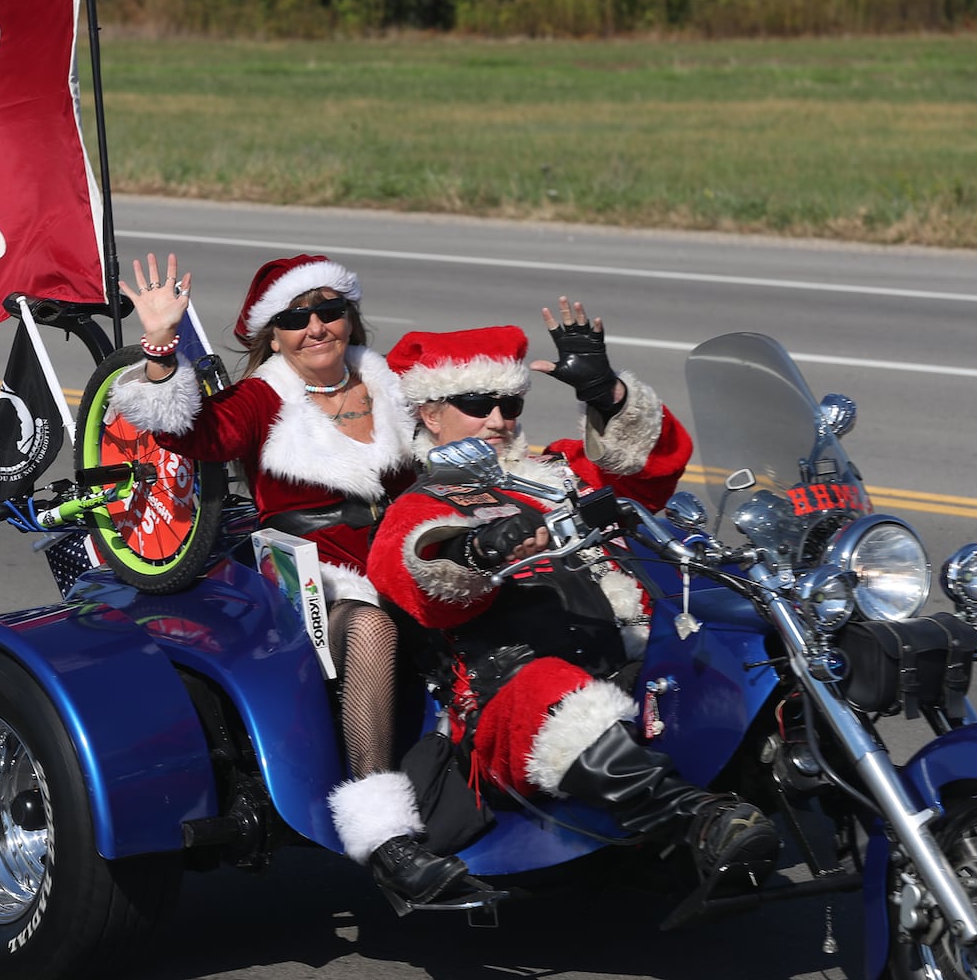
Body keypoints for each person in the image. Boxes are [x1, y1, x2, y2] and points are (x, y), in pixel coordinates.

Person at [367, 299, 779, 892]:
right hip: (506, 701)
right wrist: (479, 552)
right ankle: (700, 823)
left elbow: (648, 476)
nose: (498, 420)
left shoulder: (555, 467)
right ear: (431, 413)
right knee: (549, 691)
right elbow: (415, 570)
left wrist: (608, 395)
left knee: (753, 632)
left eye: (508, 404)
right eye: (477, 405)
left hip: (629, 656)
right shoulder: (426, 500)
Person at [108, 251, 468, 904]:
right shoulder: (262, 396)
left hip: (407, 557)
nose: (317, 327)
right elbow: (191, 431)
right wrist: (160, 344)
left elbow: (463, 434)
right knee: (370, 627)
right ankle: (385, 838)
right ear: (273, 333)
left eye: (329, 310)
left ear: (350, 320)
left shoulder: (391, 383)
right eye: (297, 316)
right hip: (315, 579)